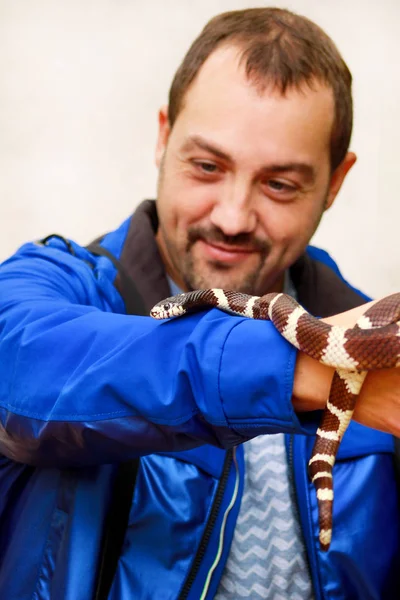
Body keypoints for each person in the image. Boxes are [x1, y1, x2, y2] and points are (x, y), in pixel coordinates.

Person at [0, 7, 399, 599]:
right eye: (208, 166)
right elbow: (19, 370)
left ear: (335, 183)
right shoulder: (55, 287)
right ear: (163, 138)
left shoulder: (380, 344)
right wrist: (313, 366)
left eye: (280, 184)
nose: (233, 216)